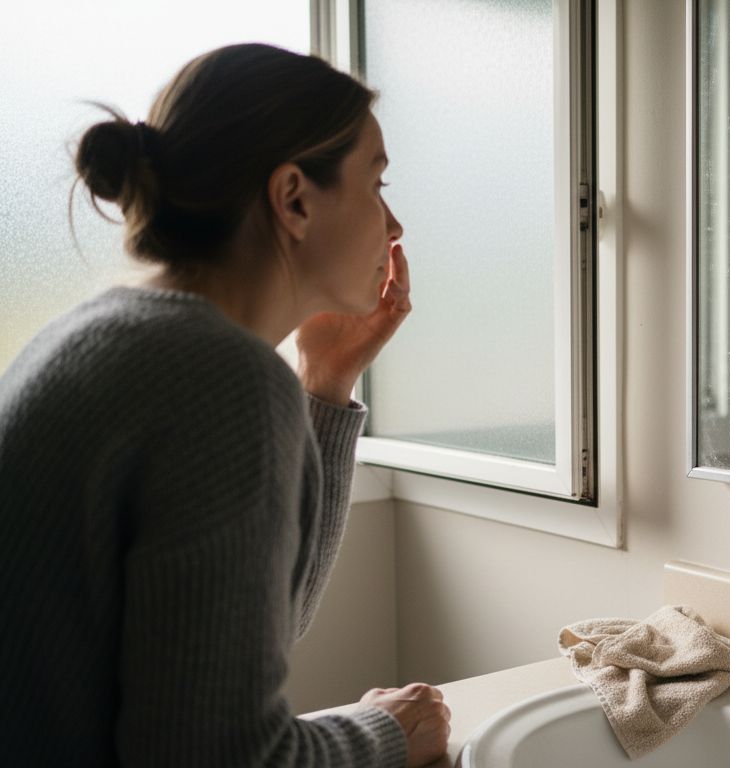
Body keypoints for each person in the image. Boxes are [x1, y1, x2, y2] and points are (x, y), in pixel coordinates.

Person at [0, 44, 449, 766]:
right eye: (377, 182)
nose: (393, 226)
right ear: (294, 198)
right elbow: (223, 756)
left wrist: (324, 387)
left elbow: (260, 626)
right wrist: (387, 734)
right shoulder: (219, 379)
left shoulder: (103, 337)